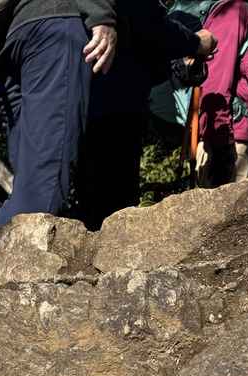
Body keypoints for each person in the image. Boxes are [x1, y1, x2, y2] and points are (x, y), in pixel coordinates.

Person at [73, 0, 217, 229]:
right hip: (115, 102)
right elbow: (148, 22)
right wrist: (196, 42)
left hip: (80, 92)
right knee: (112, 205)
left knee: (88, 195)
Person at [0, 0, 120, 229]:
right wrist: (101, 15)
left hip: (11, 38)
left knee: (29, 189)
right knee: (41, 194)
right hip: (54, 31)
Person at [193, 0, 248, 185]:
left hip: (228, 136)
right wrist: (222, 147)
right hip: (229, 141)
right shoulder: (232, 12)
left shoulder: (233, 10)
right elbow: (215, 85)